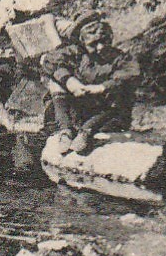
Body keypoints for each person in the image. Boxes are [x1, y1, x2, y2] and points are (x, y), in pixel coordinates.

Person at [40, 11, 140, 154]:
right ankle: (65, 131)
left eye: (103, 41)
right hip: (79, 108)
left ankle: (86, 132)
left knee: (122, 92)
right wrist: (70, 81)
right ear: (82, 42)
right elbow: (50, 61)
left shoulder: (117, 57)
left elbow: (130, 74)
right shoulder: (75, 53)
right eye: (93, 44)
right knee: (56, 81)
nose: (100, 47)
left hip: (106, 113)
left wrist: (101, 87)